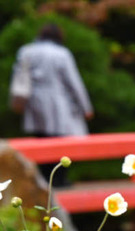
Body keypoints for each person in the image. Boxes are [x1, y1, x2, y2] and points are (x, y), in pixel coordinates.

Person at [12, 23, 93, 184]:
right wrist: (86, 107)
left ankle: (43, 180)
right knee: (60, 141)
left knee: (41, 140)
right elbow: (74, 83)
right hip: (57, 101)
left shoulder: (26, 51)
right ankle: (59, 180)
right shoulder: (61, 54)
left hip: (33, 100)